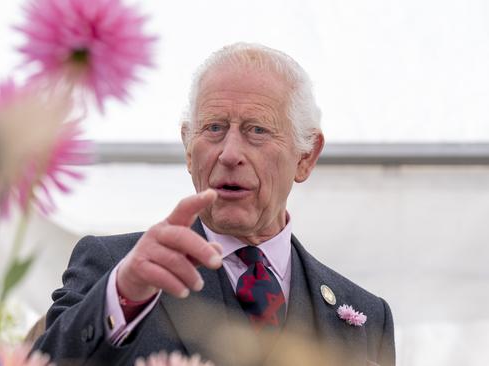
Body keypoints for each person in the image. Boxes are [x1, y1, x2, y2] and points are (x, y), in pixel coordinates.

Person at [32, 43, 395, 366]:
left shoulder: (366, 316)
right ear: (188, 149)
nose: (230, 154)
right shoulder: (117, 268)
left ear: (306, 157)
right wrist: (122, 293)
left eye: (257, 130)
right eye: (214, 128)